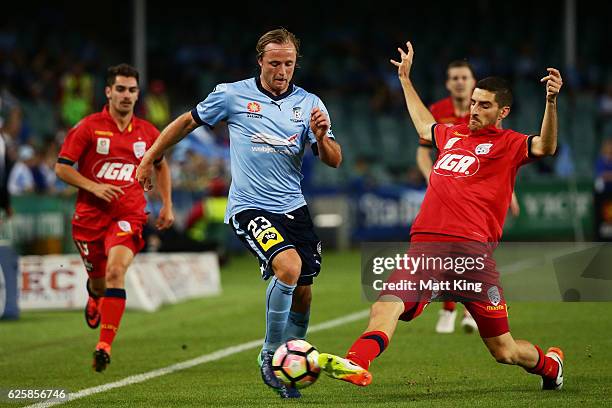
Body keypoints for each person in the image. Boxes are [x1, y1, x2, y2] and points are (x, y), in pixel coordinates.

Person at [319, 42, 564, 392]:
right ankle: (356, 362)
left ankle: (549, 366)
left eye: (484, 105)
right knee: (386, 304)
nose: (474, 109)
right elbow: (424, 126)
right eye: (474, 102)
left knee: (504, 350)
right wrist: (405, 79)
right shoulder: (453, 135)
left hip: (473, 257)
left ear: (503, 111)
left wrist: (551, 102)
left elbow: (546, 146)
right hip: (426, 247)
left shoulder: (508, 144)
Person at [136, 28, 341, 399]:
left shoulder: (310, 103)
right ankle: (270, 355)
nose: (282, 70)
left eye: (289, 63)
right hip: (249, 207)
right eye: (275, 62)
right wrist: (151, 156)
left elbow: (333, 160)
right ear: (260, 61)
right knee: (288, 268)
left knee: (305, 292)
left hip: (293, 209)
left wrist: (323, 137)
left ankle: (290, 362)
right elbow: (186, 122)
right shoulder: (231, 95)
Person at [55, 63, 174, 372]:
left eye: (132, 90)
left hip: (129, 215)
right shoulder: (88, 127)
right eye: (120, 89)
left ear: (137, 95)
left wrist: (166, 204)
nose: (126, 95)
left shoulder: (148, 132)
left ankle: (104, 346)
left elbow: (160, 165)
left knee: (115, 272)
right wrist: (94, 186)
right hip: (89, 219)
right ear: (108, 92)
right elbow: (62, 167)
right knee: (98, 284)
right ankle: (94, 299)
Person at [417, 60, 520, 334]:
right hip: (448, 184)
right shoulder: (439, 111)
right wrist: (433, 178)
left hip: (477, 191)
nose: (460, 82)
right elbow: (422, 149)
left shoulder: (484, 111)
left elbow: (501, 161)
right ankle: (451, 309)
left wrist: (511, 194)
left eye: (464, 77)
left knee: (471, 248)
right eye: (454, 78)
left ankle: (470, 307)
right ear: (448, 84)